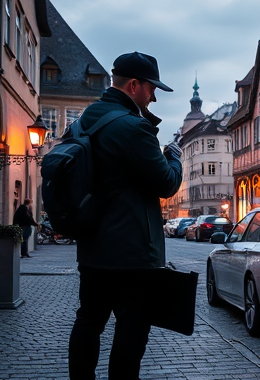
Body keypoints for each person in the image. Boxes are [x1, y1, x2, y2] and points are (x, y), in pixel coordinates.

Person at [67, 52, 182, 380]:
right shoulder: (132, 127)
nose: (154, 95)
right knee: (132, 325)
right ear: (134, 85)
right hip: (131, 254)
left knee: (88, 321)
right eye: (151, 88)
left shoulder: (86, 120)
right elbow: (167, 183)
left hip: (92, 247)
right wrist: (173, 157)